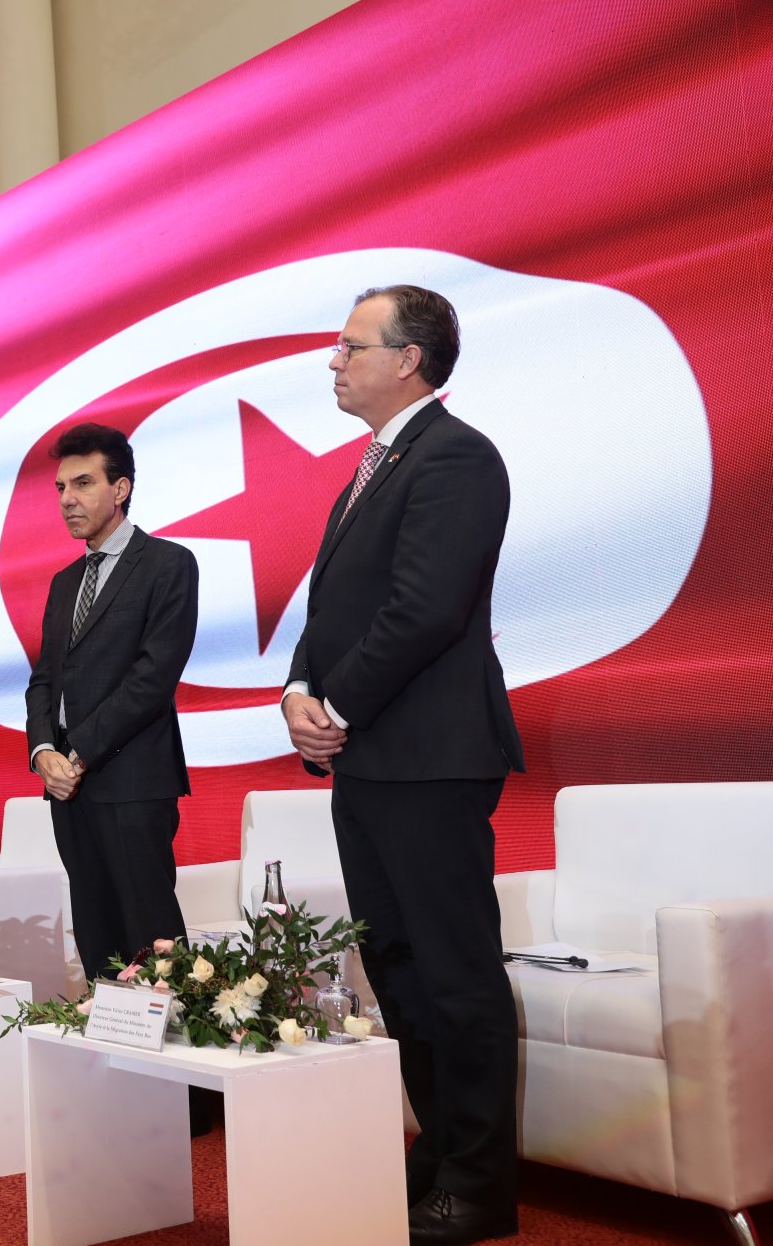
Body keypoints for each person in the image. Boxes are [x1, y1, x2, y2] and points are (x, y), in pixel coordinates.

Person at [281, 285, 524, 1245]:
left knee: (455, 974)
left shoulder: (456, 456)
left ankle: (482, 1184)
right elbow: (330, 608)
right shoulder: (372, 466)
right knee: (398, 968)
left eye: (351, 346)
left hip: (429, 757)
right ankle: (440, 1152)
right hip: (370, 760)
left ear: (409, 359)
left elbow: (424, 610)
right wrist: (297, 692)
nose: (333, 361)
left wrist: (334, 708)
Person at [23, 423, 199, 985]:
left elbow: (152, 679)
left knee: (153, 940)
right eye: (60, 488)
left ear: (120, 488)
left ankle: (184, 1044)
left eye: (82, 483)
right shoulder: (64, 581)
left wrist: (76, 755)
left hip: (132, 779)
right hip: (68, 788)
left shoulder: (168, 564)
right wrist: (43, 751)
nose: (67, 499)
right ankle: (108, 1038)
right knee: (96, 935)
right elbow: (43, 680)